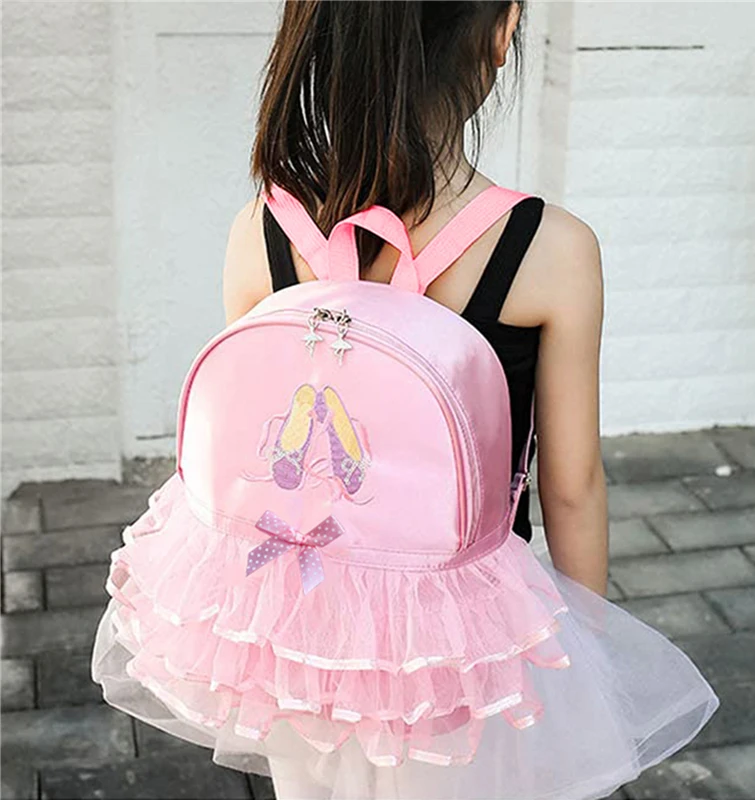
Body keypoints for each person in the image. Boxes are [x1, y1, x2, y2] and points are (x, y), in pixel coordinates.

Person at [92, 2, 719, 798]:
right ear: (502, 32)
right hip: (456, 648)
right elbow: (571, 486)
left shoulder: (263, 228)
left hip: (304, 637)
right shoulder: (547, 249)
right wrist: (585, 655)